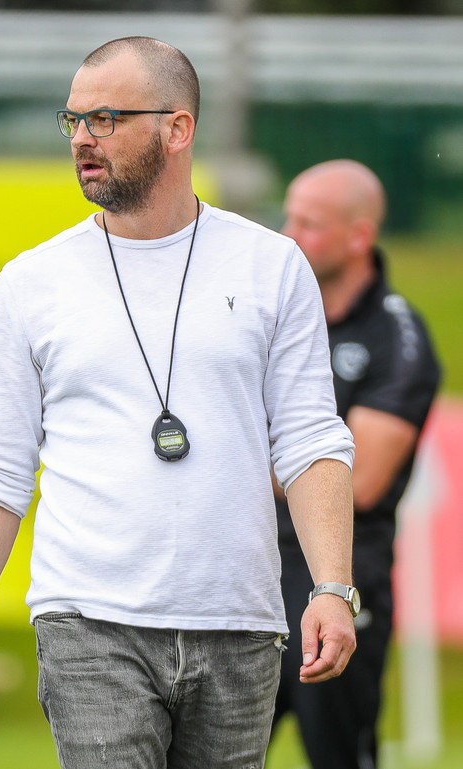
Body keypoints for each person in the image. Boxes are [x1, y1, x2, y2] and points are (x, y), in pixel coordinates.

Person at [0, 37, 357, 769]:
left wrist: (332, 587)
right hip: (88, 622)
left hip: (239, 623)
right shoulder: (30, 282)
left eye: (104, 118)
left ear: (178, 128)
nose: (82, 139)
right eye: (72, 120)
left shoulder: (272, 265)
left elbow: (310, 438)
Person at [270, 159, 441, 769]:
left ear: (358, 236)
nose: (289, 235)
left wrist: (230, 460)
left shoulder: (398, 336)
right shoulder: (274, 317)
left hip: (337, 575)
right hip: (248, 569)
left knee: (338, 756)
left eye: (309, 224)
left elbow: (359, 483)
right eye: (288, 217)